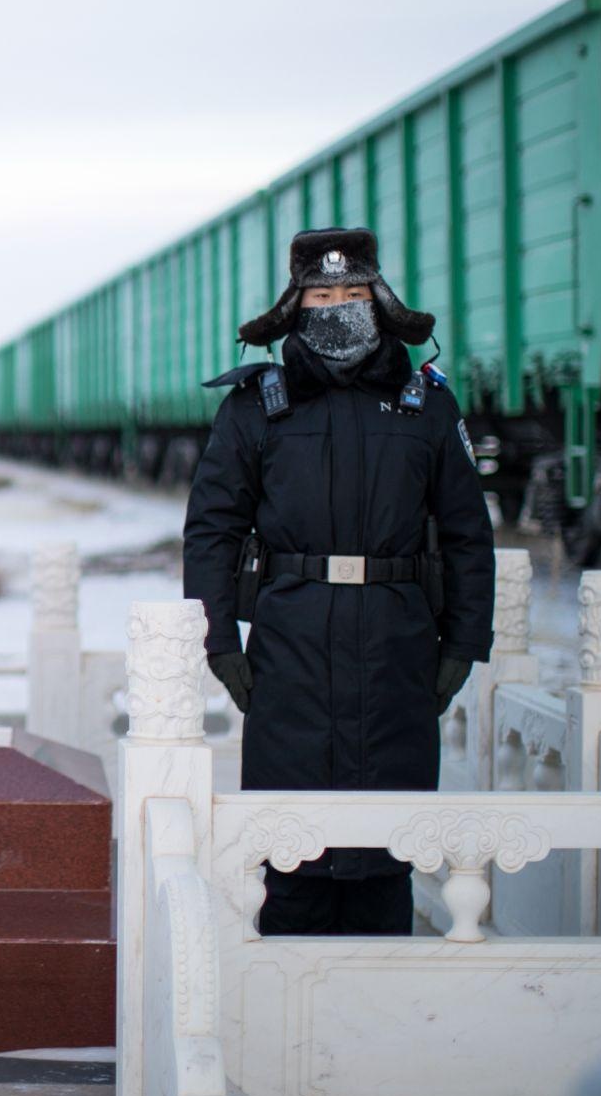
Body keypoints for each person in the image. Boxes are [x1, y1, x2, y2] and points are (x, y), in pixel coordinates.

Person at [182, 227, 494, 936]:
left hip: (399, 644)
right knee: (292, 845)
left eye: (353, 293)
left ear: (379, 301)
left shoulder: (428, 404)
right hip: (290, 646)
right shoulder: (255, 406)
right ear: (296, 305)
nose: (337, 306)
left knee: (390, 847)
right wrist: (219, 641)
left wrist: (463, 645)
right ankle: (289, 1015)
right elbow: (211, 532)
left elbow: (470, 534)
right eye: (322, 294)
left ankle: (380, 1019)